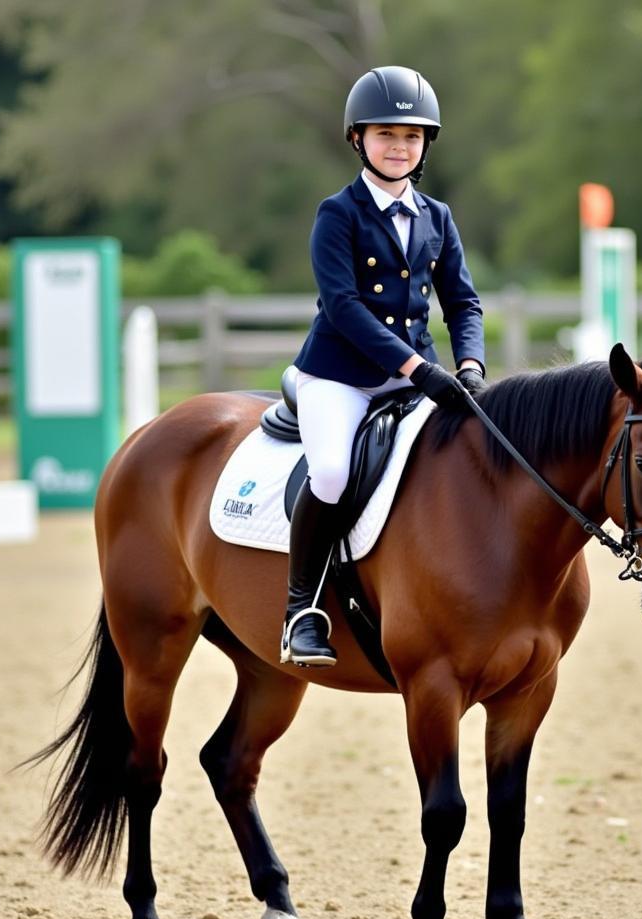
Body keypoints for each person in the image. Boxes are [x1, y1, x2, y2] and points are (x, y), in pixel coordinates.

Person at [282, 64, 486, 668]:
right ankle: (301, 612)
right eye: (385, 136)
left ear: (425, 146)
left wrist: (470, 364)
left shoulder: (437, 216)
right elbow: (342, 308)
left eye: (411, 138)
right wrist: (418, 370)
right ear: (357, 140)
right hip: (340, 377)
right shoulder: (337, 213)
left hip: (418, 377)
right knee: (330, 475)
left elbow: (463, 301)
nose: (399, 148)